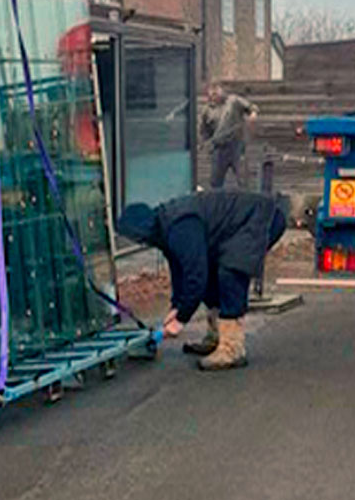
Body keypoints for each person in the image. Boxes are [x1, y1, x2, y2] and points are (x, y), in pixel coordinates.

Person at [118, 190, 287, 370]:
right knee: (212, 274)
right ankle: (217, 337)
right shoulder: (165, 228)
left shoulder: (180, 228)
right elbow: (179, 270)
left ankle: (232, 348)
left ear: (140, 233)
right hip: (239, 224)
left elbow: (195, 276)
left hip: (260, 218)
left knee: (230, 272)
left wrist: (181, 319)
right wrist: (176, 306)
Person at [200, 83, 258, 188]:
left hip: (236, 145)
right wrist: (206, 144)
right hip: (219, 149)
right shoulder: (207, 110)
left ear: (221, 91)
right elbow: (204, 131)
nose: (214, 95)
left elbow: (251, 107)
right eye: (212, 94)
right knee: (215, 181)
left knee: (243, 179)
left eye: (216, 92)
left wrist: (253, 115)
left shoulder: (233, 101)